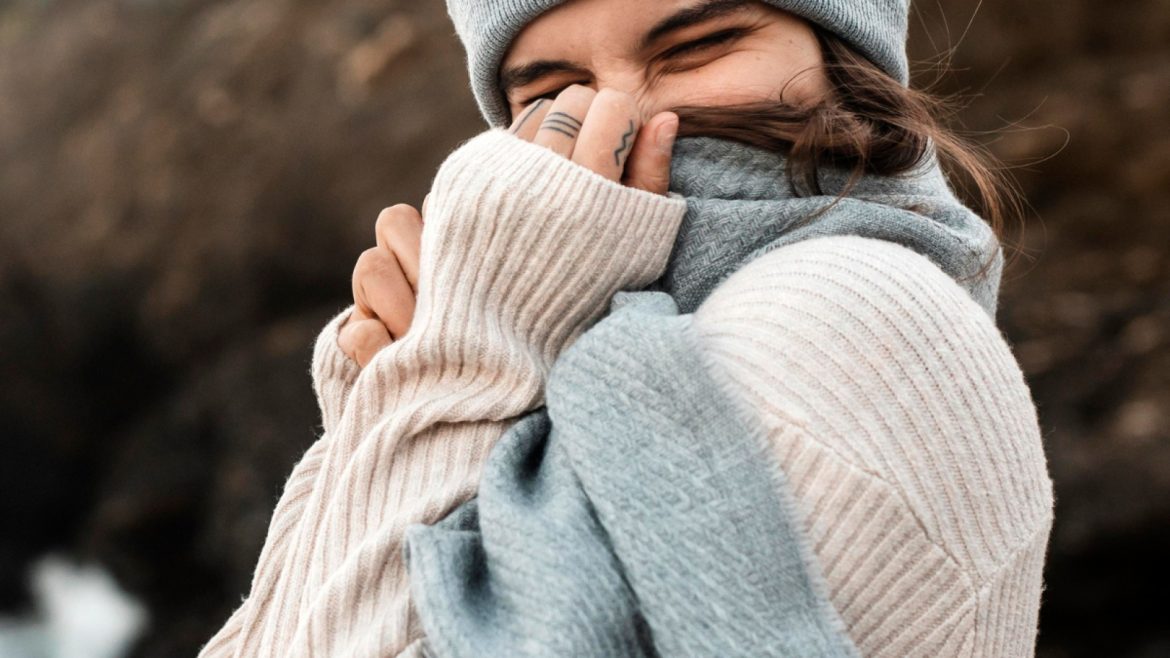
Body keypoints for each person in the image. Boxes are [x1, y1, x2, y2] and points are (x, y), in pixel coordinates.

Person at [199, 1, 1054, 656]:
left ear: (845, 54)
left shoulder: (846, 316)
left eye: (696, 47)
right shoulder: (586, 332)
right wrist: (375, 417)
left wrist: (458, 369)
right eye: (555, 93)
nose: (626, 118)